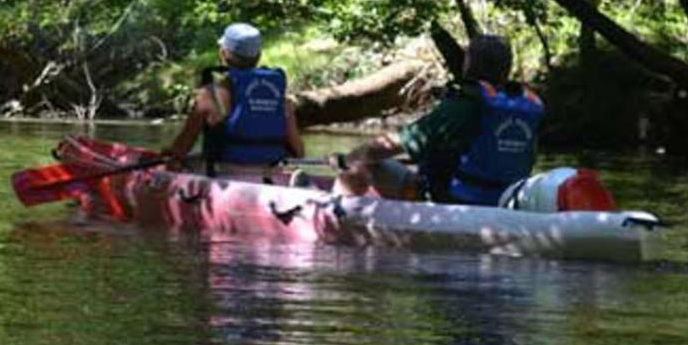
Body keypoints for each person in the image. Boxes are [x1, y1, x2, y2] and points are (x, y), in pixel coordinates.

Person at [331, 34, 543, 205]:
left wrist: (346, 159)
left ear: (468, 64)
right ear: (506, 68)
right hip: (505, 203)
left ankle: (333, 214)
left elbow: (384, 147)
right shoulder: (528, 106)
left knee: (361, 164)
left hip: (449, 201)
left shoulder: (465, 103)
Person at [165, 23, 304, 175]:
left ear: (223, 53)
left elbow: (181, 148)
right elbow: (298, 151)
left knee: (181, 163)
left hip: (227, 171)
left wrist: (170, 156)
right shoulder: (280, 98)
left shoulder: (210, 94)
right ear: (258, 56)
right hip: (273, 170)